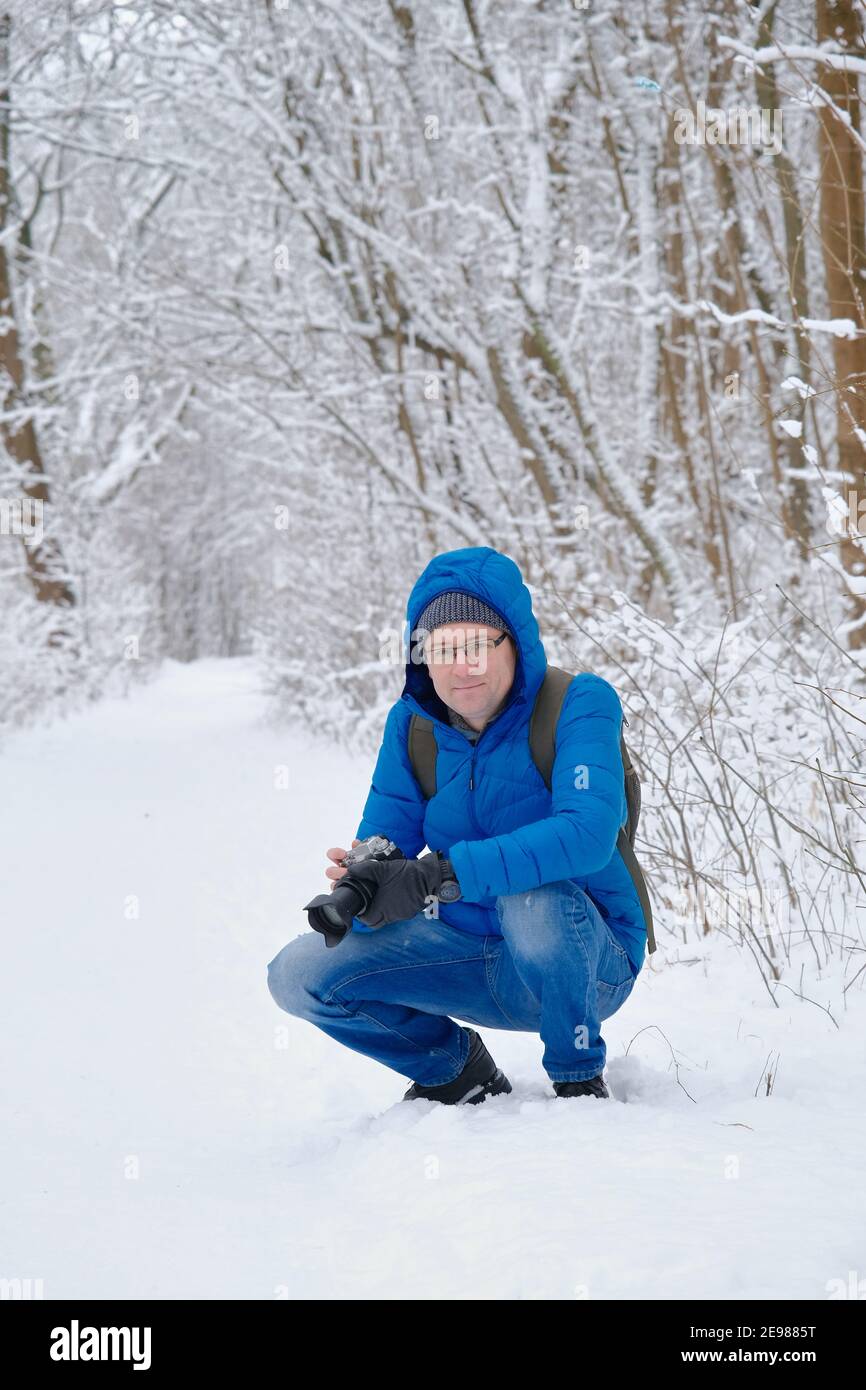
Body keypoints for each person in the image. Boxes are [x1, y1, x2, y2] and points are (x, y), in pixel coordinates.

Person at [267, 545, 647, 1105]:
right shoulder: (413, 725)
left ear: (514, 641)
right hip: (466, 953)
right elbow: (388, 832)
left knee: (531, 897)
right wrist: (368, 879)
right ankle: (455, 1070)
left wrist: (437, 876)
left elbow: (586, 834)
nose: (458, 665)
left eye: (474, 645)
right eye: (440, 649)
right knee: (298, 973)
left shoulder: (579, 704)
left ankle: (577, 1075)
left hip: (585, 963)